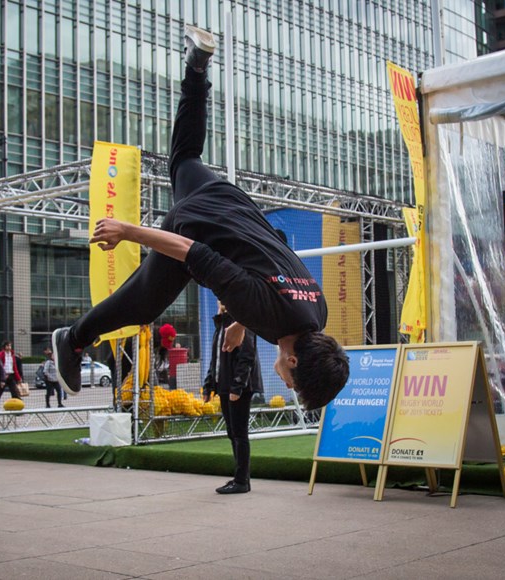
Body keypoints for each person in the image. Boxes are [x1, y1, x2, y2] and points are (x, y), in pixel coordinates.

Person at [52, 25, 349, 411]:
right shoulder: (267, 314)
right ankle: (72, 338)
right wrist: (128, 230)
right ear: (293, 362)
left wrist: (240, 324)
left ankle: (197, 68)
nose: (285, 382)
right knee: (144, 303)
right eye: (293, 383)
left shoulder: (316, 313)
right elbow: (195, 255)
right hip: (198, 225)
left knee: (185, 158)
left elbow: (269, 287)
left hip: (229, 200)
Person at [203, 302, 261, 494]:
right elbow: (216, 358)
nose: (222, 302)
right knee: (232, 433)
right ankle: (241, 477)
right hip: (225, 387)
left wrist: (238, 386)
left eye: (225, 299)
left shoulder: (242, 322)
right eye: (219, 299)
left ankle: (241, 481)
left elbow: (247, 356)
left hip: (239, 388)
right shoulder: (221, 325)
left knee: (239, 433)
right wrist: (209, 384)